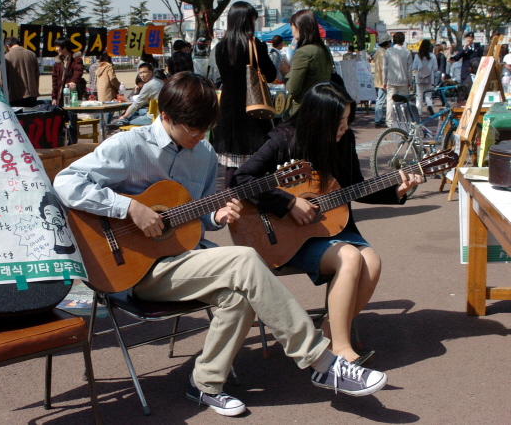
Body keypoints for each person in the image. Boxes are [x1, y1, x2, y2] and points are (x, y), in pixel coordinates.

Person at [53, 72, 389, 416]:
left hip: (178, 262)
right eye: (193, 131)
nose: (199, 138)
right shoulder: (128, 146)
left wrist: (215, 217)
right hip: (130, 269)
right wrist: (129, 207)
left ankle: (205, 384)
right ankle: (322, 361)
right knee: (243, 260)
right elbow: (65, 182)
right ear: (165, 117)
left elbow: (192, 218)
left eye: (205, 131)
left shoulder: (204, 154)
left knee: (239, 293)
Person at [234, 81, 422, 365]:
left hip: (333, 228)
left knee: (371, 261)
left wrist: (395, 192)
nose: (344, 128)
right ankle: (342, 351)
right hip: (285, 236)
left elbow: (354, 187)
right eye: (338, 122)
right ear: (317, 119)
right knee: (349, 257)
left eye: (347, 120)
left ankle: (328, 334)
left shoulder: (343, 142)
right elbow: (240, 180)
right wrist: (288, 203)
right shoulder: (284, 139)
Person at [211, 1, 277, 189]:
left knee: (232, 163)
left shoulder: (221, 47)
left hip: (229, 110)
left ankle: (230, 203)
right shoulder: (255, 45)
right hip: (253, 109)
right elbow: (271, 75)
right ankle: (256, 206)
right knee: (256, 161)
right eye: (254, 20)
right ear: (247, 21)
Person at [280, 9, 334, 118]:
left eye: (292, 28)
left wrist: (286, 73)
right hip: (322, 105)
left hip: (302, 110)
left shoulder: (303, 53)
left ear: (298, 27)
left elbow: (293, 89)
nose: (292, 32)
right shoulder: (324, 50)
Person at [110, 62, 163, 127]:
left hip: (153, 117)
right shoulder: (159, 81)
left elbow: (137, 103)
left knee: (130, 119)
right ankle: (121, 121)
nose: (142, 75)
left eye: (144, 72)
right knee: (137, 111)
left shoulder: (148, 85)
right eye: (140, 73)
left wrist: (124, 116)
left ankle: (121, 121)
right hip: (160, 113)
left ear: (151, 72)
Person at [382, 32, 412, 128]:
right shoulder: (407, 52)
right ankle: (405, 121)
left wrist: (384, 81)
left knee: (390, 100)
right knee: (404, 101)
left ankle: (389, 122)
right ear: (403, 40)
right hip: (403, 79)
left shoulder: (388, 52)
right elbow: (409, 69)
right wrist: (410, 82)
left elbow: (385, 67)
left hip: (391, 79)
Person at [3, 36, 40, 107]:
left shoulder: (7, 57)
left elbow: (3, 79)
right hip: (32, 94)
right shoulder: (32, 54)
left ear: (7, 46)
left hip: (15, 96)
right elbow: (37, 74)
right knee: (31, 116)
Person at [50, 37, 86, 106]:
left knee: (71, 115)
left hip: (72, 94)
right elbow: (55, 81)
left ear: (64, 47)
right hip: (60, 97)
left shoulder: (75, 59)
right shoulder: (58, 62)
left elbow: (78, 71)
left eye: (58, 46)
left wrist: (73, 81)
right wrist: (54, 97)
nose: (56, 49)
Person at [412, 39, 437, 117]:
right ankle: (429, 106)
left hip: (419, 77)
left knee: (419, 95)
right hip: (429, 77)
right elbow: (435, 67)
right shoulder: (432, 56)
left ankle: (418, 111)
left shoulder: (417, 56)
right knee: (428, 94)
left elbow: (414, 67)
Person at [373, 34, 391, 128]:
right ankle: (378, 120)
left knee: (380, 100)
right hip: (382, 81)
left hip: (379, 80)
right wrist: (385, 81)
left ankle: (378, 119)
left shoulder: (378, 52)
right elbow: (384, 68)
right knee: (381, 100)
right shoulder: (383, 53)